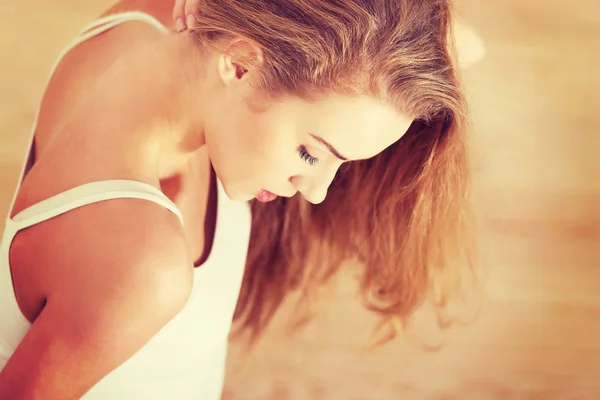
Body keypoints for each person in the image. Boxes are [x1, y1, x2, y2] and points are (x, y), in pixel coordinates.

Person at [0, 0, 482, 398]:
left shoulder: (161, 23)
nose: (315, 193)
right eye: (311, 154)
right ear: (239, 65)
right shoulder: (141, 262)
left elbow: (418, 35)